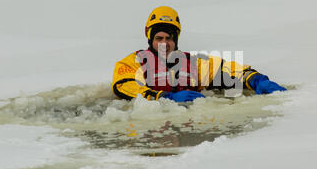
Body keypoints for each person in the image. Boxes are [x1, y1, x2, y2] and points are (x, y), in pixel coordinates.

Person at [112, 6, 286, 102]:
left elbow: (227, 69)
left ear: (176, 39)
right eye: (159, 38)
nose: (164, 43)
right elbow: (124, 85)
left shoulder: (193, 63)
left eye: (169, 38)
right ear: (150, 39)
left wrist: (254, 79)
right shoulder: (133, 62)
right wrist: (165, 97)